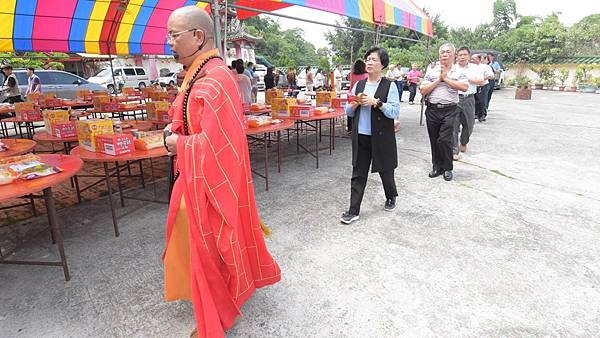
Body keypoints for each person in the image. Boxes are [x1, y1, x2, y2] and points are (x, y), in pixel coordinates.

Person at [163, 6, 281, 337]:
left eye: (174, 34)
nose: (169, 42)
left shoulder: (216, 79)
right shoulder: (198, 74)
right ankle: (212, 296)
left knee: (213, 242)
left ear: (198, 36)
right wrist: (176, 132)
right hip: (194, 173)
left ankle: (218, 308)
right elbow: (186, 116)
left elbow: (220, 143)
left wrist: (178, 145)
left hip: (211, 177)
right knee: (199, 239)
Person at [340, 47, 400, 224]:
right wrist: (357, 103)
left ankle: (391, 196)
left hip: (381, 136)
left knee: (385, 169)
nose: (369, 62)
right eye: (368, 59)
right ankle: (353, 210)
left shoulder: (390, 86)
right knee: (358, 172)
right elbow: (348, 111)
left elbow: (394, 111)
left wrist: (377, 102)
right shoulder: (358, 85)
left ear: (382, 64)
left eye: (374, 59)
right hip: (361, 135)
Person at [419, 43, 468, 181]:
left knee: (444, 139)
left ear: (453, 55)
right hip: (432, 109)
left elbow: (464, 87)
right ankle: (437, 166)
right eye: (442, 52)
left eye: (447, 52)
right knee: (434, 140)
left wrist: (446, 79)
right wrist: (438, 80)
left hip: (450, 110)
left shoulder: (458, 71)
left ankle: (447, 168)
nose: (444, 55)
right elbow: (423, 90)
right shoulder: (432, 70)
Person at [452, 47, 484, 161]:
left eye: (464, 55)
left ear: (469, 56)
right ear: (456, 56)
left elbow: (481, 81)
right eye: (460, 55)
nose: (462, 57)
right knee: (453, 125)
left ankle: (464, 141)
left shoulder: (475, 68)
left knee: (469, 124)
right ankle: (454, 150)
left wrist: (468, 79)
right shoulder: (452, 68)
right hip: (455, 97)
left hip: (469, 98)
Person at [347, 59, 368, 134]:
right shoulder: (366, 75)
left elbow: (347, 78)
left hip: (351, 95)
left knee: (350, 111)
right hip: (361, 95)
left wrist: (352, 70)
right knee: (360, 112)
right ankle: (358, 128)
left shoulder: (351, 75)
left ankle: (350, 129)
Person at [472, 54, 494, 122]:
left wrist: (482, 79)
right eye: (471, 59)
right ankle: (475, 113)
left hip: (483, 85)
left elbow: (491, 76)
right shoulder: (471, 67)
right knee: (475, 100)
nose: (471, 60)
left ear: (479, 59)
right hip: (474, 85)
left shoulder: (485, 67)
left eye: (473, 59)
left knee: (482, 100)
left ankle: (482, 115)